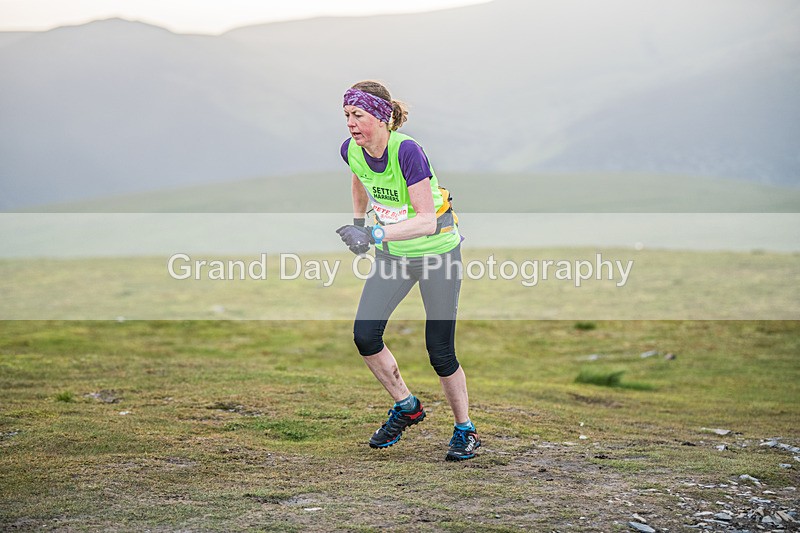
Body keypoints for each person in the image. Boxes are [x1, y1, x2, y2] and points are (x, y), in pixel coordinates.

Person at [335, 80, 480, 461]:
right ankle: (407, 406)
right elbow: (359, 177)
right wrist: (358, 223)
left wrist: (372, 233)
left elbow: (426, 221)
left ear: (381, 116)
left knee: (440, 352)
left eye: (358, 115)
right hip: (393, 255)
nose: (350, 123)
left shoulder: (407, 151)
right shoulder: (352, 149)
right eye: (346, 115)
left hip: (436, 254)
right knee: (365, 336)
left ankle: (465, 429)